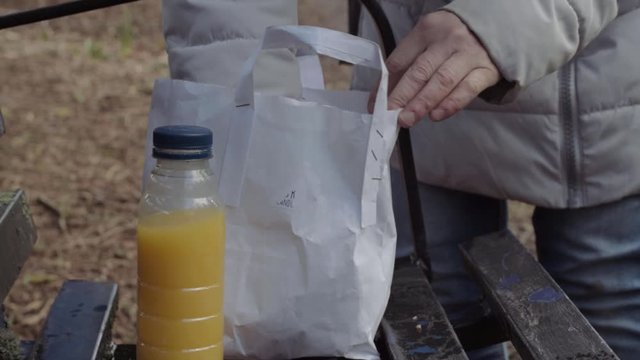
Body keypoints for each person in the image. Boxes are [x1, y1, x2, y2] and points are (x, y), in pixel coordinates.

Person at [163, 1, 640, 358]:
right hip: (422, 102)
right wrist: (254, 135)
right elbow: (228, 18)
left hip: (605, 97)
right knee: (436, 320)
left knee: (601, 322)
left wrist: (511, 19)